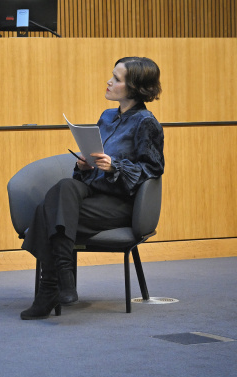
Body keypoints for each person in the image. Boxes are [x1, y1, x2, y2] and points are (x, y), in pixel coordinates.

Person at [20, 57, 164, 320]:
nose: (109, 81)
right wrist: (85, 165)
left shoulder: (146, 122)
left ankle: (50, 288)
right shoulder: (107, 117)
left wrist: (115, 166)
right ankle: (63, 278)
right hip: (92, 192)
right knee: (65, 186)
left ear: (135, 87)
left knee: (46, 211)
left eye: (117, 79)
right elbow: (92, 160)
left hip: (120, 203)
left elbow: (152, 170)